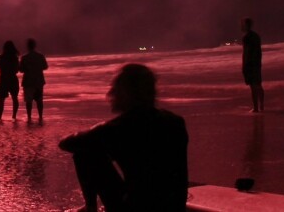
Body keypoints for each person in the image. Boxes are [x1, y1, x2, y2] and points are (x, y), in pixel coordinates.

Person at [59, 63, 189, 211]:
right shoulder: (175, 122)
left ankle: (90, 207)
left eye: (115, 89)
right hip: (175, 208)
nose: (110, 94)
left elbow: (66, 143)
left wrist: (102, 140)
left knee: (85, 153)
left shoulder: (118, 128)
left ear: (126, 92)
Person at [20, 38, 49, 122]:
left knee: (29, 101)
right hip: (38, 81)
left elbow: (21, 69)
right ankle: (40, 117)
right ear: (35, 46)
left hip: (28, 81)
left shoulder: (24, 57)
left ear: (27, 46)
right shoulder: (40, 56)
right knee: (39, 100)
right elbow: (45, 67)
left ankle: (29, 117)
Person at [241, 17, 264, 113]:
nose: (241, 26)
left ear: (246, 25)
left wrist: (244, 66)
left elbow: (246, 53)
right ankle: (262, 106)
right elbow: (259, 52)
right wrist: (258, 63)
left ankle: (255, 108)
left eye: (243, 24)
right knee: (258, 85)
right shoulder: (256, 36)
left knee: (253, 86)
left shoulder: (246, 37)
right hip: (257, 63)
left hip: (250, 64)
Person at [0, 40, 20, 120]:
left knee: (1, 100)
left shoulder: (0, 57)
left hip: (3, 79)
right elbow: (17, 70)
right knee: (15, 98)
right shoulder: (15, 58)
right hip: (13, 78)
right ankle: (14, 116)